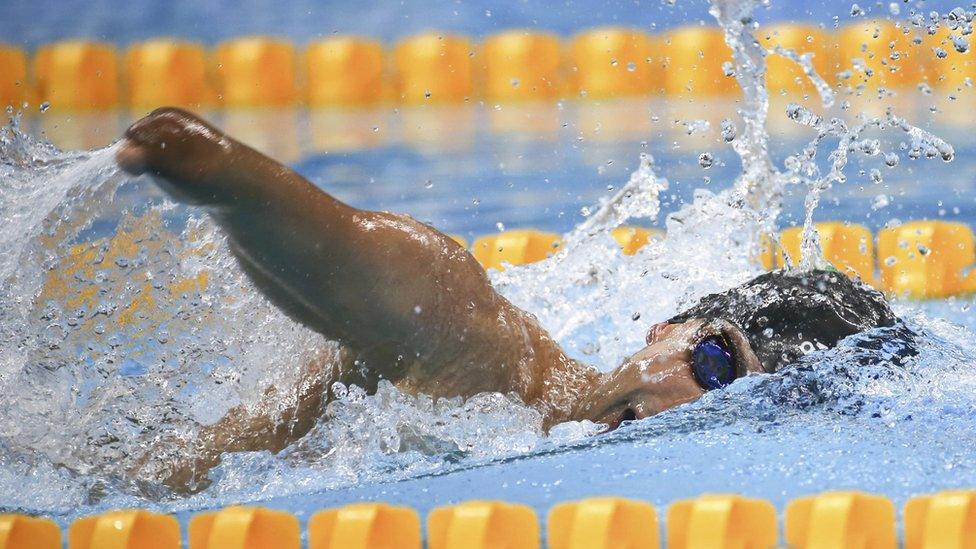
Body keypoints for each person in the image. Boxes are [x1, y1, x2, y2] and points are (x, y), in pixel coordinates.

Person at [115, 108, 906, 492]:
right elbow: (344, 260)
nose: (689, 409)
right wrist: (217, 173)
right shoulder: (490, 360)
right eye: (712, 362)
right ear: (665, 327)